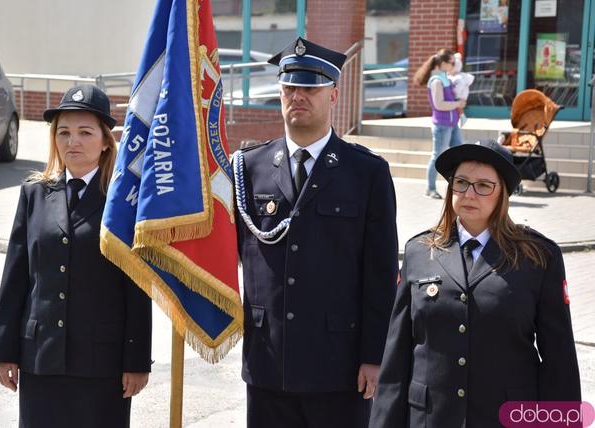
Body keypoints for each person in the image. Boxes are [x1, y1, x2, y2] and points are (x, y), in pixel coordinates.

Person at [233, 37, 399, 428]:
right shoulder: (248, 167)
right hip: (268, 360)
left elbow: (380, 274)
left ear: (334, 95)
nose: (298, 96)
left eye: (310, 87)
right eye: (290, 87)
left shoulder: (367, 172)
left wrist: (374, 356)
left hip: (337, 365)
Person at [368, 140, 581, 427]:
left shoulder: (538, 257)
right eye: (462, 183)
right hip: (430, 419)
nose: (469, 193)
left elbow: (560, 362)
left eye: (483, 185)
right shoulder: (419, 251)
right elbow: (396, 358)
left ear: (502, 193)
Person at [0, 84, 152, 428]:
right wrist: (5, 351)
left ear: (106, 141)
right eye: (63, 132)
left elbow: (136, 287)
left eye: (84, 132)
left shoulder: (123, 202)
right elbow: (16, 278)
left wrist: (136, 360)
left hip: (102, 365)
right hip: (40, 360)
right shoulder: (34, 193)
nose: (72, 141)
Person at [414, 49, 466, 199]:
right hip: (443, 125)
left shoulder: (444, 78)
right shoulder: (436, 80)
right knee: (437, 156)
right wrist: (458, 103)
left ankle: (459, 187)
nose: (454, 65)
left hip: (451, 123)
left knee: (459, 154)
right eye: (452, 62)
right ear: (442, 63)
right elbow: (439, 105)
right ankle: (430, 189)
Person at [448, 52, 474, 128]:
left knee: (458, 107)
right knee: (457, 107)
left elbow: (459, 88)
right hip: (459, 94)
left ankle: (462, 117)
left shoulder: (458, 78)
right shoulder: (453, 76)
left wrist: (454, 92)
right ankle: (461, 117)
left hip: (460, 95)